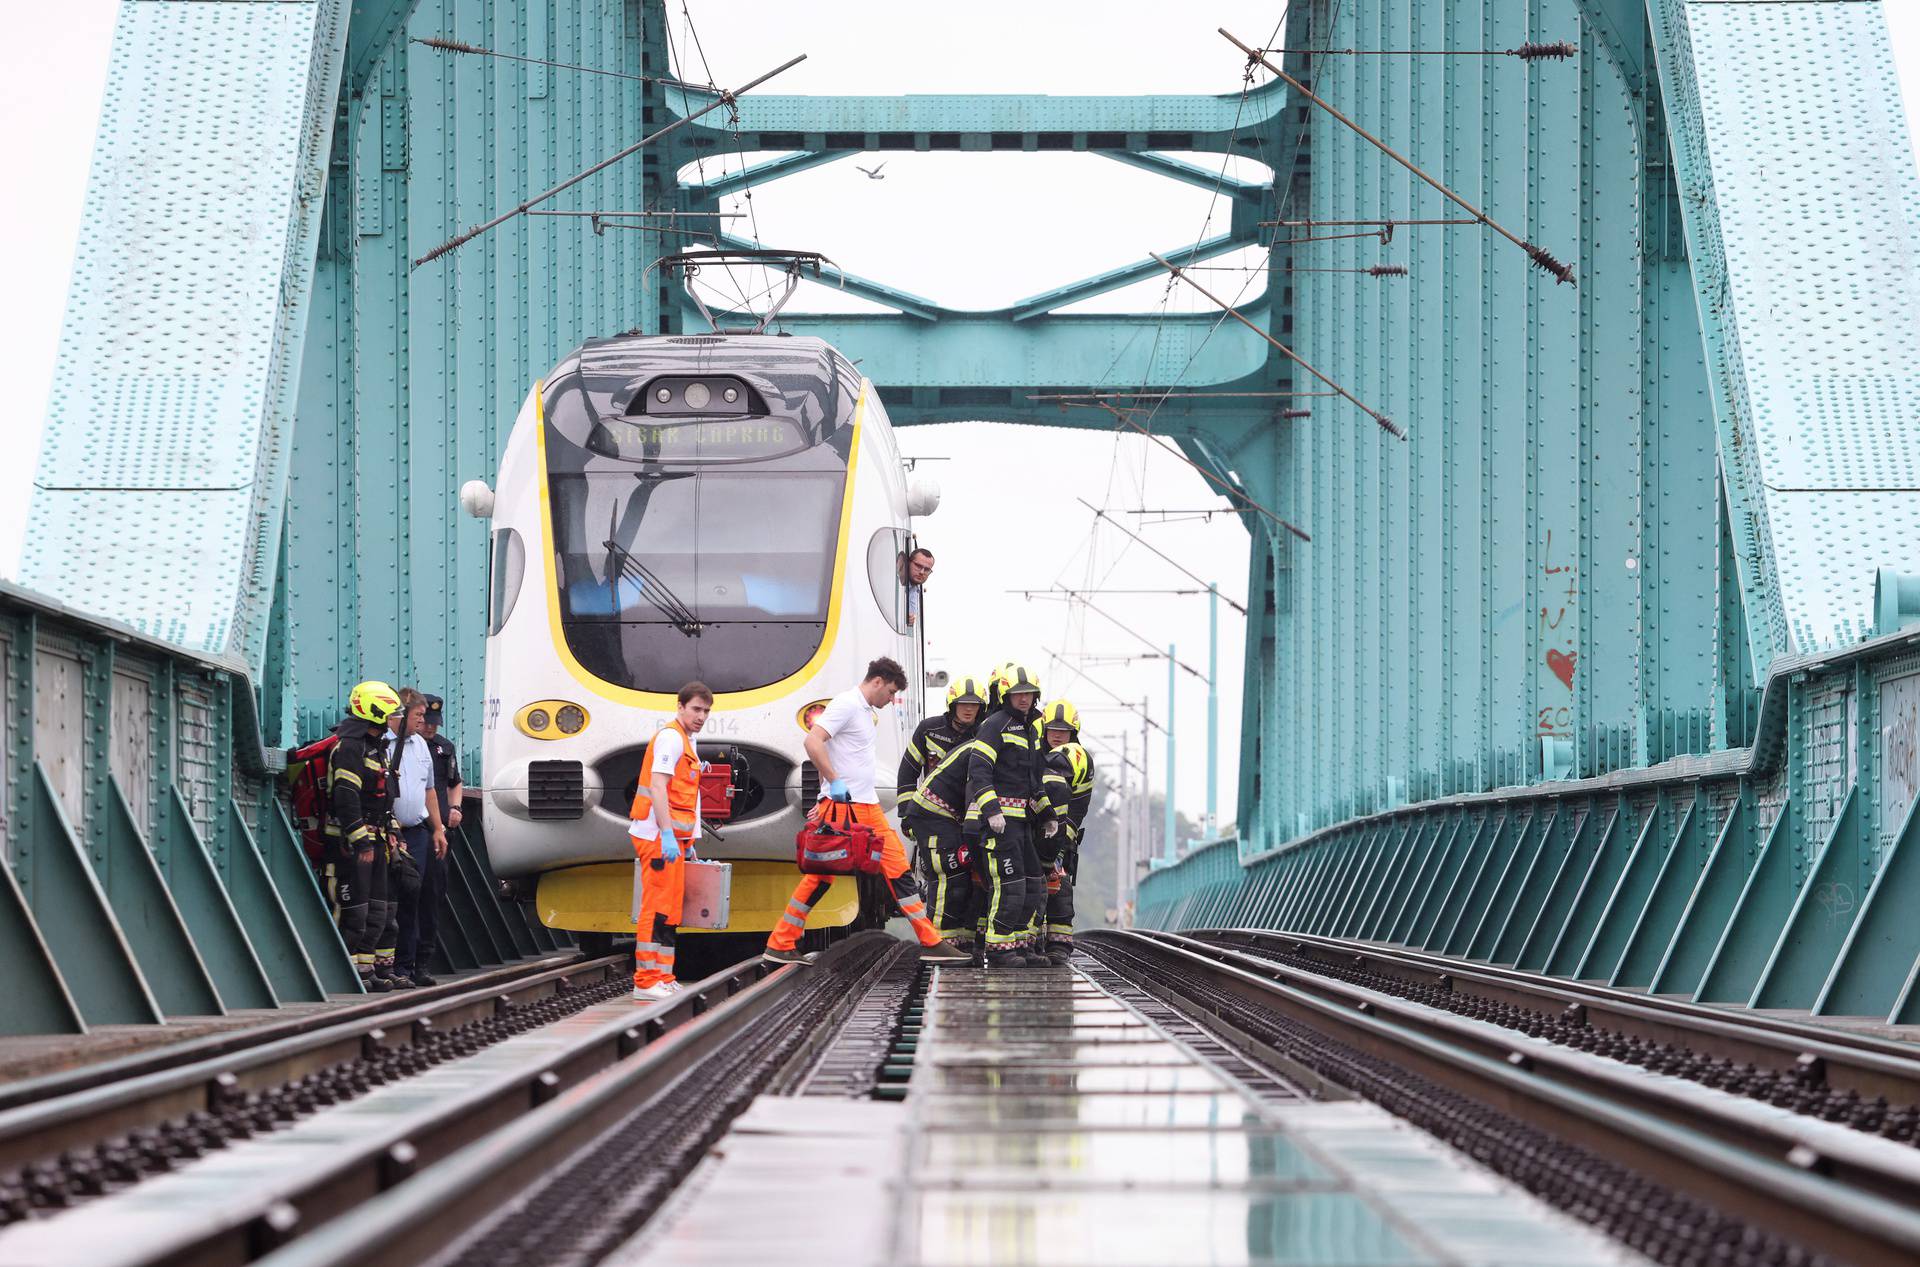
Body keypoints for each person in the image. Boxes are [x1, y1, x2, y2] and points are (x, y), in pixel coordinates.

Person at [764, 658, 969, 965]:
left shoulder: (863, 711)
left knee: (825, 877)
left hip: (858, 805)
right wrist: (832, 785)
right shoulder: (846, 705)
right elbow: (813, 741)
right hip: (851, 807)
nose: (891, 700)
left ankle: (780, 942)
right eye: (890, 692)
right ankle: (931, 942)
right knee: (894, 871)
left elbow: (831, 751)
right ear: (877, 681)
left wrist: (823, 796)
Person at [966, 663, 1056, 968]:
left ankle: (1021, 945)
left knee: (1033, 885)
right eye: (1018, 694)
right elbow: (979, 770)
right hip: (999, 824)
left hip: (1021, 823)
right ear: (1006, 695)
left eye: (1029, 694)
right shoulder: (995, 724)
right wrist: (991, 811)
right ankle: (1000, 949)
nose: (1024, 699)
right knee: (1009, 886)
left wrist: (1048, 815)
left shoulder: (1032, 729)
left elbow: (1034, 783)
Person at [629, 682, 713, 1001]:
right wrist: (665, 833)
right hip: (656, 835)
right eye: (696, 709)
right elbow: (659, 787)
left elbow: (687, 798)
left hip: (672, 838)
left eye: (706, 711)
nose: (701, 716)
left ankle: (663, 975)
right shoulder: (670, 739)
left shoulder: (686, 741)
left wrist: (687, 841)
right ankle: (646, 979)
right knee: (657, 906)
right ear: (679, 707)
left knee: (672, 909)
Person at [899, 675, 989, 950]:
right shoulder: (929, 729)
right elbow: (908, 769)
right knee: (945, 874)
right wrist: (906, 814)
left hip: (970, 817)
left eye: (974, 704)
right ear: (952, 703)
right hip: (936, 815)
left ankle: (966, 939)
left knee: (972, 880)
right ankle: (938, 939)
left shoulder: (984, 735)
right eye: (963, 703)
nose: (968, 709)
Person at [326, 680, 402, 992]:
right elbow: (345, 797)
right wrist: (360, 839)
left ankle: (371, 970)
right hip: (352, 845)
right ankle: (347, 972)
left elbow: (383, 797)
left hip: (378, 840)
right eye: (391, 713)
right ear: (376, 713)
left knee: (381, 911)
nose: (395, 719)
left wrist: (393, 831)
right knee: (354, 911)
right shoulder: (350, 748)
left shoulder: (376, 748)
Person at [392, 690, 448, 989]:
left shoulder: (421, 746)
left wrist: (438, 829)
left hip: (417, 832)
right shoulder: (381, 746)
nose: (423, 722)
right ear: (398, 717)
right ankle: (391, 966)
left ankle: (409, 966)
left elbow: (429, 791)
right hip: (389, 832)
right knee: (391, 900)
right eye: (418, 717)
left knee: (417, 897)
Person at [408, 694, 462, 987]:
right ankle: (403, 962)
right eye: (424, 721)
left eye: (433, 723)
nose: (429, 727)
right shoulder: (403, 747)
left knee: (433, 895)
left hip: (438, 833)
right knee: (409, 894)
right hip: (414, 828)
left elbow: (454, 782)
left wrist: (456, 808)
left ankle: (423, 962)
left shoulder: (443, 748)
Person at [1038, 699, 1093, 964]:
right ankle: (1029, 943)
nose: (1058, 735)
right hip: (1029, 832)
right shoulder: (1032, 753)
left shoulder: (1080, 761)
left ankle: (1058, 948)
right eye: (1052, 729)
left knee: (1060, 887)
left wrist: (1061, 839)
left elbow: (1079, 806)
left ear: (1074, 732)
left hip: (1061, 837)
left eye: (1064, 730)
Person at [903, 547, 934, 626]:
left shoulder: (917, 591)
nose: (922, 572)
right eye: (918, 566)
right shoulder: (896, 584)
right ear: (908, 563)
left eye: (927, 569)